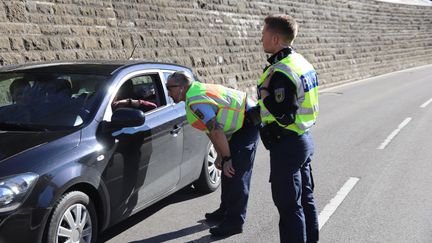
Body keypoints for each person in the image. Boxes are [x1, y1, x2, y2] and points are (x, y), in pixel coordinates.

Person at [166, 71, 259, 237]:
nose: (168, 93)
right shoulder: (194, 94)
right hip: (237, 125)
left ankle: (234, 222)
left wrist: (228, 158)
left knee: (236, 173)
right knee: (226, 169)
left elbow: (216, 130)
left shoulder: (196, 100)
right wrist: (220, 155)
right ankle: (225, 210)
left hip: (247, 122)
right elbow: (210, 130)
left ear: (181, 88)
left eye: (169, 88)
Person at [257, 14, 319, 243]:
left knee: (289, 206)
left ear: (274, 39)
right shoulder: (301, 61)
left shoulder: (281, 70)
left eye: (263, 34)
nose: (261, 38)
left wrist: (264, 92)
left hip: (288, 144)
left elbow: (284, 115)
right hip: (302, 138)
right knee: (305, 200)